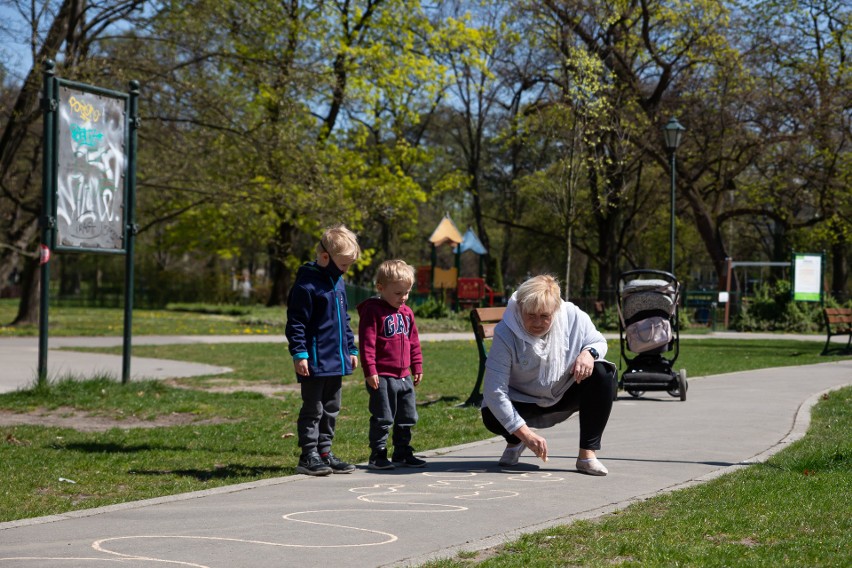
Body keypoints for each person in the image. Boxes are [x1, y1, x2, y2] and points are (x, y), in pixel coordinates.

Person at [481, 274, 617, 476]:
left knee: (602, 372)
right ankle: (515, 440)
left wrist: (589, 354)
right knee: (491, 414)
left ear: (556, 310)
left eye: (545, 316)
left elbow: (598, 341)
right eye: (531, 315)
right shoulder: (505, 331)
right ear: (520, 309)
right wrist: (526, 434)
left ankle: (587, 455)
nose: (537, 323)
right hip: (523, 402)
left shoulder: (573, 316)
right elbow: (494, 390)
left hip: (563, 393)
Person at [286, 224, 361, 476]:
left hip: (336, 360)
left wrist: (351, 348)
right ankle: (308, 454)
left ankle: (325, 452)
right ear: (325, 257)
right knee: (313, 408)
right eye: (343, 265)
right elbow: (296, 323)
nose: (346, 270)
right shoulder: (306, 285)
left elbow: (344, 320)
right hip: (315, 361)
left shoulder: (337, 283)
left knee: (331, 407)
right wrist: (300, 353)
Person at [357, 260, 426, 469]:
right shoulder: (373, 312)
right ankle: (378, 454)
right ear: (381, 288)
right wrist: (370, 370)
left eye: (407, 293)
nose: (403, 298)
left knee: (407, 416)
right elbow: (367, 344)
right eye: (398, 293)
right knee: (383, 417)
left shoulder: (406, 313)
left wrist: (417, 366)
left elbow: (413, 341)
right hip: (383, 375)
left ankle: (402, 451)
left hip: (404, 375)